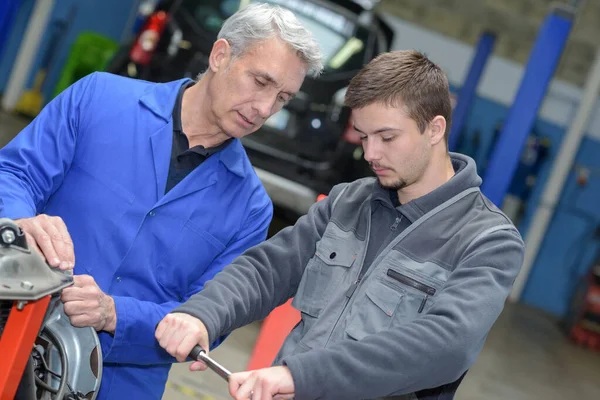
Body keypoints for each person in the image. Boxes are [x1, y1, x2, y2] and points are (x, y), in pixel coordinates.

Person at [155, 50, 525, 400]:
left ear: (434, 129)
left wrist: (299, 376)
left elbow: (445, 343)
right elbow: (268, 269)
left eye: (387, 137)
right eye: (364, 137)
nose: (371, 154)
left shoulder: (488, 241)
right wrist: (202, 314)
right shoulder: (349, 202)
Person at [0, 3, 322, 399]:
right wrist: (20, 221)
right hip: (13, 332)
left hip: (118, 385)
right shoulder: (99, 98)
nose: (264, 109)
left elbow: (210, 316)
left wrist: (115, 314)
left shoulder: (251, 208)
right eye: (260, 81)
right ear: (221, 55)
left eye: (283, 98)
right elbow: (15, 173)